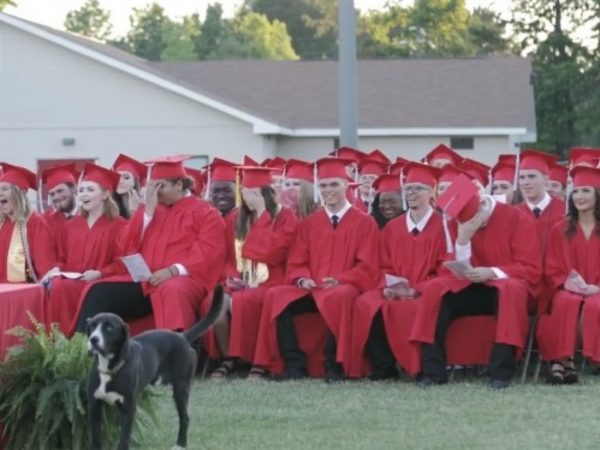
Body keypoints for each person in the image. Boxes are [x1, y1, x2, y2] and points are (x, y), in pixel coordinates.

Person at [253, 157, 380, 381]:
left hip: (346, 286)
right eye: (323, 185)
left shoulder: (364, 222)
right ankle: (294, 365)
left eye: (334, 184)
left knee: (339, 296)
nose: (328, 190)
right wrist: (303, 280)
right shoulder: (310, 223)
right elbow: (297, 261)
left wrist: (340, 280)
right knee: (276, 295)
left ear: (347, 186)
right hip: (312, 287)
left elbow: (367, 266)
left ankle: (334, 364)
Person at [410, 174, 542, 389]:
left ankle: (501, 372)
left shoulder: (516, 218)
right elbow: (453, 265)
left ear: (482, 203)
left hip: (503, 285)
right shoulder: (454, 221)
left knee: (511, 290)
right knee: (435, 288)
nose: (470, 225)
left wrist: (491, 272)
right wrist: (463, 239)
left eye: (472, 221)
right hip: (469, 285)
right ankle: (433, 372)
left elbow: (530, 267)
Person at [74, 157, 226, 332]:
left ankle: (175, 352)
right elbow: (125, 244)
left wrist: (172, 271)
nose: (155, 192)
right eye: (152, 186)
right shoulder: (152, 208)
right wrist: (147, 212)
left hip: (183, 279)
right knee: (98, 292)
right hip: (146, 281)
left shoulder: (206, 213)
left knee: (172, 290)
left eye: (160, 186)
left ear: (179, 185)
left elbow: (208, 253)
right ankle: (84, 351)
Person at [350, 163, 446, 380]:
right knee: (365, 303)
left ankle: (420, 367)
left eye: (418, 188)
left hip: (427, 291)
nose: (412, 193)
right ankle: (384, 367)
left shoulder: (444, 226)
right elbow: (383, 265)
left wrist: (416, 289)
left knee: (414, 308)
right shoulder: (393, 227)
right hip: (395, 288)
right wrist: (389, 286)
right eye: (408, 189)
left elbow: (445, 270)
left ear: (431, 192)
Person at [210, 167, 298, 379]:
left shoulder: (285, 217)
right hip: (242, 281)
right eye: (247, 193)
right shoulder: (234, 219)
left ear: (267, 194)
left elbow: (272, 253)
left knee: (245, 300)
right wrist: (232, 277)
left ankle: (257, 361)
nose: (250, 198)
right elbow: (227, 257)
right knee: (215, 303)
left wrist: (261, 214)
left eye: (255, 193)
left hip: (274, 280)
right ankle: (229, 358)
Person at [536, 166, 600, 384]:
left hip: (597, 290)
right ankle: (564, 360)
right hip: (566, 288)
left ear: (597, 195)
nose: (579, 197)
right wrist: (566, 282)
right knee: (566, 302)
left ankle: (564, 360)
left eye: (586, 191)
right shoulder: (560, 228)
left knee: (594, 305)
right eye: (576, 192)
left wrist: (596, 288)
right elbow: (551, 266)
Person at [45, 164, 126, 334]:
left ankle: (73, 342)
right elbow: (63, 259)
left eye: (90, 189)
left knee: (66, 288)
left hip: (100, 284)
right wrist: (56, 268)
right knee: (55, 286)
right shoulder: (72, 225)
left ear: (105, 194)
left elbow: (122, 262)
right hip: (73, 281)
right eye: (81, 190)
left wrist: (100, 273)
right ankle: (59, 342)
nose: (84, 194)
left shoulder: (119, 225)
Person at [515, 149, 565, 313]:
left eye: (531, 176)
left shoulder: (564, 211)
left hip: (555, 282)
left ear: (546, 178)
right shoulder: (513, 214)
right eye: (522, 177)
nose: (525, 182)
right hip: (524, 283)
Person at [0, 163, 55, 282]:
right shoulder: (2, 224)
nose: (0, 193)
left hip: (21, 293)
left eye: (4, 189)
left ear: (19, 193)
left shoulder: (36, 223)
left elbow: (45, 268)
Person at [41, 163, 78, 254]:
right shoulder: (46, 221)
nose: (56, 197)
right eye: (52, 194)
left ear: (73, 189)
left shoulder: (90, 215)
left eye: (60, 191)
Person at [111, 154, 147, 219]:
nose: (120, 181)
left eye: (126, 178)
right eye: (117, 177)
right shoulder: (109, 207)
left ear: (135, 182)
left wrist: (134, 211)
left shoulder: (144, 207)